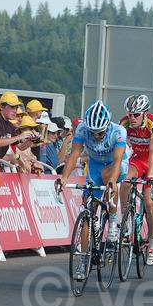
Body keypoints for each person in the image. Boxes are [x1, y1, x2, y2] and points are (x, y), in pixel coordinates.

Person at [57, 101, 129, 278]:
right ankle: (83, 261)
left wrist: (112, 181)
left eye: (100, 132)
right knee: (87, 210)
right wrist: (64, 178)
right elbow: (74, 155)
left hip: (116, 164)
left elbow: (118, 159)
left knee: (108, 176)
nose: (96, 136)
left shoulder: (118, 131)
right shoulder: (82, 129)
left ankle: (113, 222)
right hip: (95, 165)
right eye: (93, 132)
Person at [120, 94, 153, 266]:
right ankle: (126, 221)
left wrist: (150, 179)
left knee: (149, 201)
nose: (132, 118)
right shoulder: (124, 123)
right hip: (137, 158)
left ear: (145, 113)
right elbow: (121, 149)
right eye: (130, 114)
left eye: (136, 115)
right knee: (125, 181)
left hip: (152, 160)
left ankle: (152, 243)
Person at [0, 91, 36, 168]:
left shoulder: (10, 125)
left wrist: (32, 140)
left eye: (16, 107)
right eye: (12, 107)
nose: (15, 110)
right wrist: (18, 137)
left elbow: (21, 147)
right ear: (1, 107)